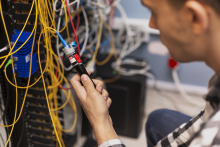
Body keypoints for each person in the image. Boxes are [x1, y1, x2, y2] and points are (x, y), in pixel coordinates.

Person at [70, 0, 220, 146]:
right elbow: (199, 125)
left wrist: (101, 125)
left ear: (194, 18)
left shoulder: (213, 138)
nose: (151, 24)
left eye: (154, 12)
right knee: (158, 119)